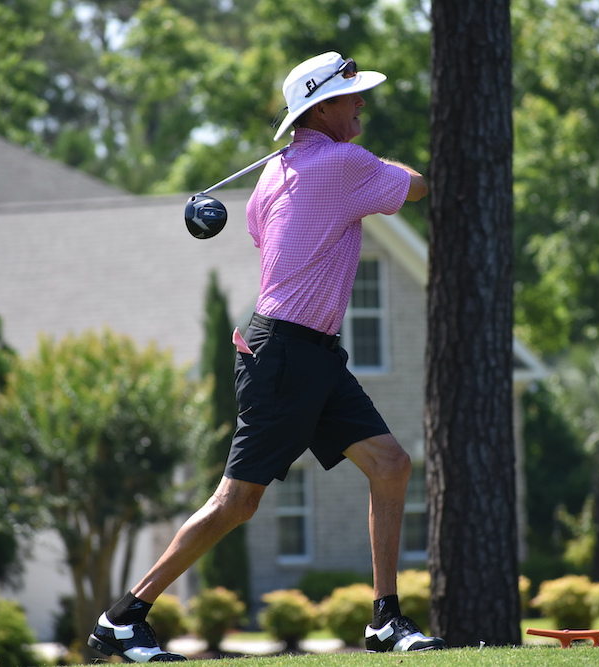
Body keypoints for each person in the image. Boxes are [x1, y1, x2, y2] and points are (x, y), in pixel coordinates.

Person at [87, 51, 445, 663]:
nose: (361, 102)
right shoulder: (344, 162)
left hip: (309, 353)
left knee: (390, 465)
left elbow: (263, 232)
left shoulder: (274, 175)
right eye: (351, 95)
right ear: (321, 109)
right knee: (237, 502)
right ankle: (121, 620)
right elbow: (417, 185)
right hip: (284, 355)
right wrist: (380, 166)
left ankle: (386, 620)